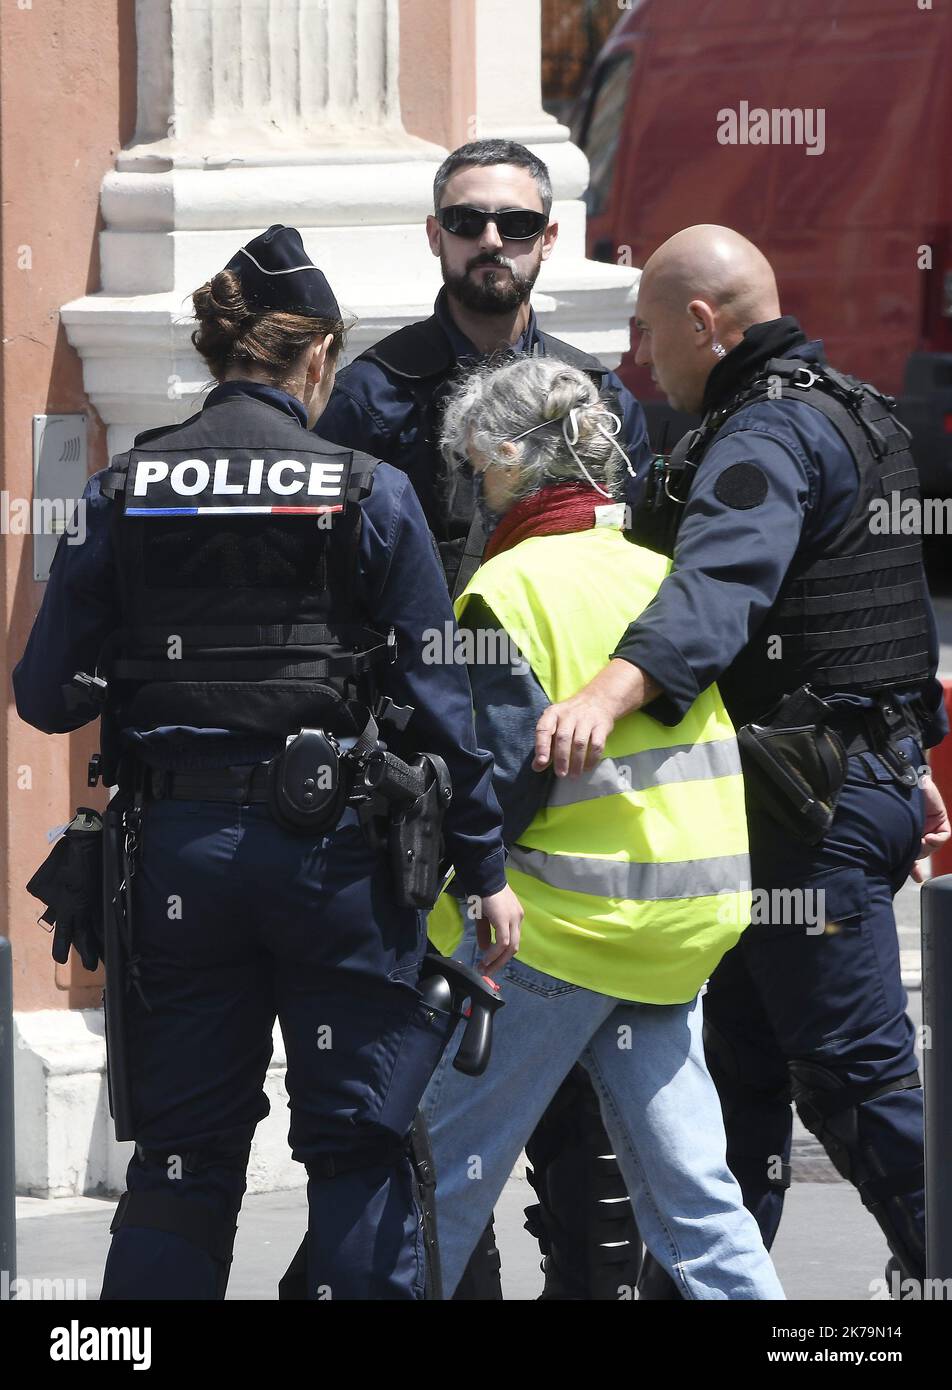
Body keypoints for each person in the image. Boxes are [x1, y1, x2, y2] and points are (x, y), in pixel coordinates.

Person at [13, 224, 522, 1301]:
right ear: (319, 357)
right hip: (337, 863)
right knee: (355, 1146)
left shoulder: (128, 488)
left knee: (183, 1158)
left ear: (215, 350)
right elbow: (443, 705)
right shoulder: (366, 490)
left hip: (175, 861)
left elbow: (43, 692)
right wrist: (484, 870)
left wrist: (151, 680)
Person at [531, 224, 951, 1294]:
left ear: (702, 325)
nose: (641, 360)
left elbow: (717, 590)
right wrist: (907, 765)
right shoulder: (855, 408)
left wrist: (605, 692)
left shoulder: (759, 436)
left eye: (647, 333)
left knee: (854, 1083)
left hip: (804, 815)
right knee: (743, 1085)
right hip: (828, 791)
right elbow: (874, 622)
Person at [318, 136, 653, 1299]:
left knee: (582, 1115)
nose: (492, 244)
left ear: (548, 238)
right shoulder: (370, 394)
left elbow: (638, 571)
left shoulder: (589, 392)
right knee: (430, 1091)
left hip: (565, 795)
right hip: (414, 800)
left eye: (515, 224)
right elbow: (332, 596)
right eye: (469, 222)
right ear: (435, 236)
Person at [419, 353, 784, 1300]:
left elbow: (495, 788)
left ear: (505, 465)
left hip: (562, 934)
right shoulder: (657, 574)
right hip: (681, 930)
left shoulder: (511, 590)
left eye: (473, 467)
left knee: (428, 1185)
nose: (470, 490)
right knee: (696, 1200)